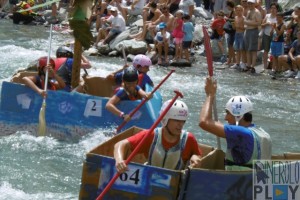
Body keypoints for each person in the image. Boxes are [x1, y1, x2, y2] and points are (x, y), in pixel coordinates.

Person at [199, 77, 272, 171]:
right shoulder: (262, 134)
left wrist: (210, 95)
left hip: (238, 183)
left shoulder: (241, 133)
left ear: (238, 116)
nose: (225, 117)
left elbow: (204, 122)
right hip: (257, 182)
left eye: (228, 113)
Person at [114, 99, 202, 173]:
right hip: (150, 181)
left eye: (183, 121)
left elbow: (198, 156)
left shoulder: (189, 139)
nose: (181, 125)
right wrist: (119, 160)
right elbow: (120, 144)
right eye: (176, 120)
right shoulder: (151, 135)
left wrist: (195, 157)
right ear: (165, 120)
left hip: (175, 186)